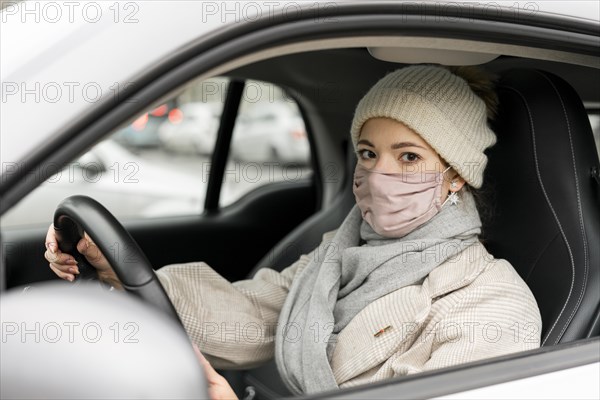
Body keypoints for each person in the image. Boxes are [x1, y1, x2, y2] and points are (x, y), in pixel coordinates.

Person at [44, 65, 542, 398]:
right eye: (368, 153)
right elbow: (253, 312)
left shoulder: (493, 302)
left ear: (456, 175)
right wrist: (121, 274)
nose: (378, 174)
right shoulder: (339, 253)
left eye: (409, 156)